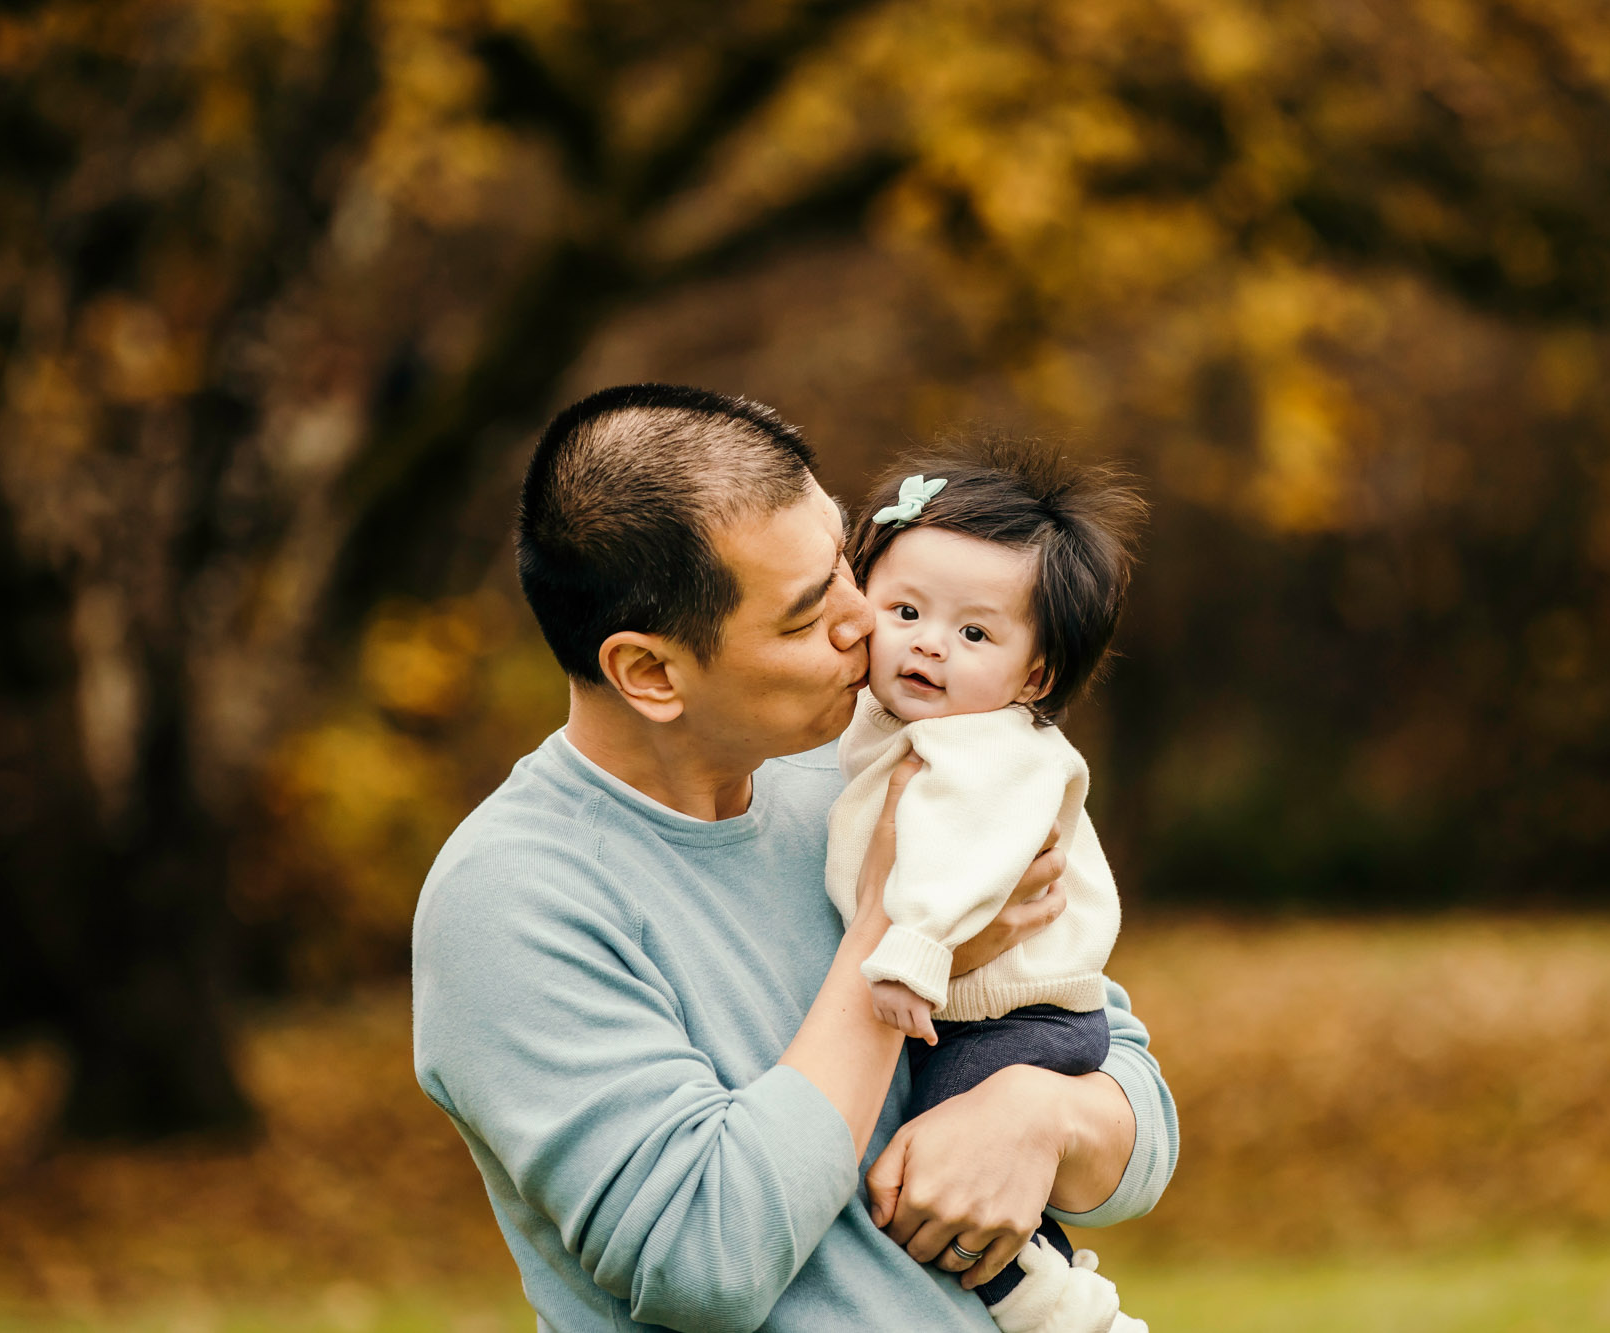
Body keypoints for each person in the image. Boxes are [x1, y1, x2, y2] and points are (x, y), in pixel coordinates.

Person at [410, 383, 1178, 1333]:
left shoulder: (879, 760)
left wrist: (1034, 1115)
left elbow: (1136, 1097)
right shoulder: (514, 897)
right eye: (810, 615)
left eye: (851, 568)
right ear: (650, 673)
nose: (868, 625)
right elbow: (708, 1258)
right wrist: (882, 942)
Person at [824, 442, 1150, 1333]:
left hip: (1017, 1018)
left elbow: (958, 856)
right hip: (998, 1005)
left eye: (974, 633)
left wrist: (917, 952)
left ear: (1034, 677)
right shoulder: (895, 722)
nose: (930, 642)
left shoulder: (988, 751)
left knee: (929, 1172)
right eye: (905, 609)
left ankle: (1069, 1313)